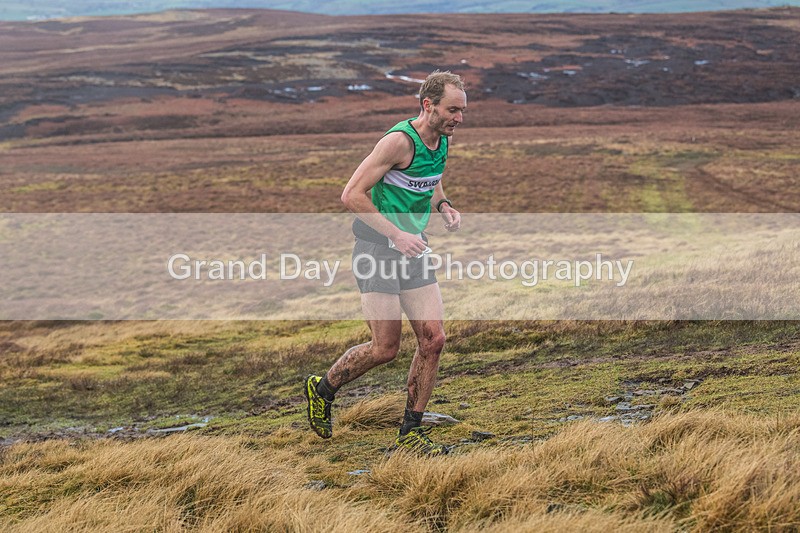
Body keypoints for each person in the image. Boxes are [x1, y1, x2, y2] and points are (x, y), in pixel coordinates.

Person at [304, 70, 466, 456]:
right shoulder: (397, 142)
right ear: (428, 106)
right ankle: (323, 389)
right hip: (377, 250)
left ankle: (410, 431)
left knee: (434, 339)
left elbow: (430, 179)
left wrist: (442, 205)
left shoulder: (441, 139)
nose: (459, 118)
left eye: (462, 111)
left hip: (414, 251)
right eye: (452, 110)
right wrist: (396, 234)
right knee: (385, 348)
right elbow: (351, 195)